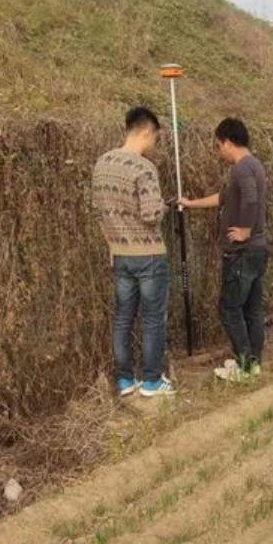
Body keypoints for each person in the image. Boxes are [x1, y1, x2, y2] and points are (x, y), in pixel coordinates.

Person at [92, 106, 176, 398]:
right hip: (149, 254)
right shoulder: (143, 168)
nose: (154, 145)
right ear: (146, 132)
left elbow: (98, 212)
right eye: (155, 138)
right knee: (152, 318)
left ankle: (125, 381)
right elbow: (152, 214)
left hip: (119, 253)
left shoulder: (102, 163)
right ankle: (152, 381)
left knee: (123, 318)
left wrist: (112, 244)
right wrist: (165, 205)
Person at [181, 117, 269, 382]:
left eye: (219, 146)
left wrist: (244, 229)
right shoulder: (256, 166)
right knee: (252, 310)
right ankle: (252, 364)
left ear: (228, 142)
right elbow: (224, 198)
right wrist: (190, 203)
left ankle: (243, 367)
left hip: (242, 252)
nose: (219, 151)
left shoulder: (242, 169)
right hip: (258, 251)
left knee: (229, 308)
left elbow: (251, 198)